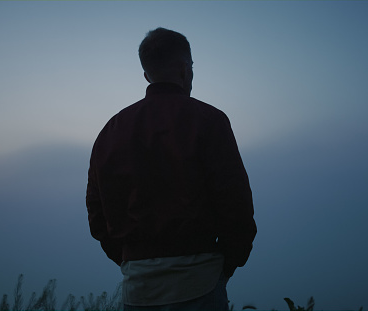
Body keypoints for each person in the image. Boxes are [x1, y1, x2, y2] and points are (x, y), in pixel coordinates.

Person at [86, 27, 256, 311]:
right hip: (201, 281)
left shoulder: (112, 130)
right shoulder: (210, 120)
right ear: (184, 69)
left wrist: (130, 258)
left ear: (146, 75)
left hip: (138, 289)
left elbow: (97, 211)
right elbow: (235, 201)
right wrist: (227, 262)